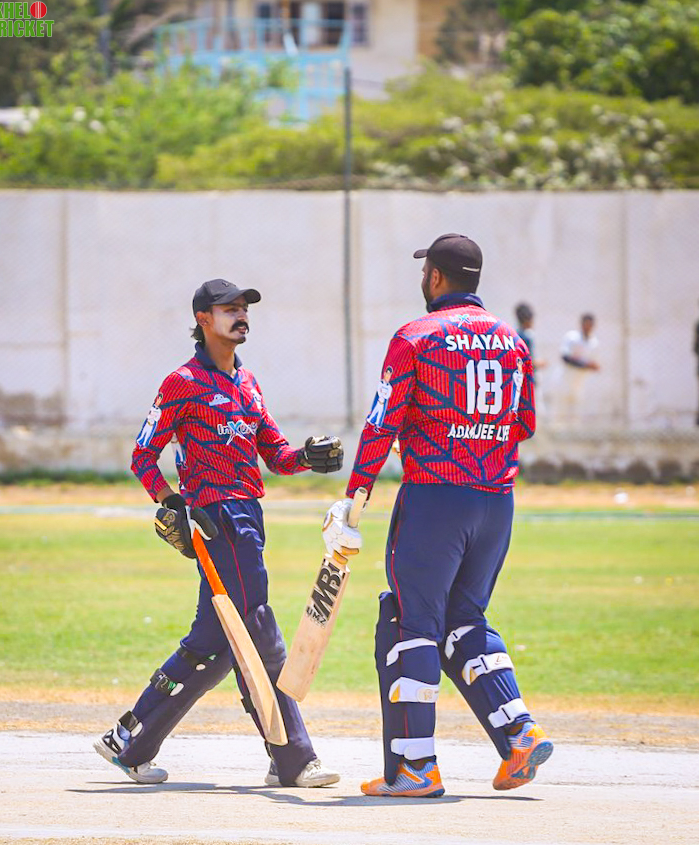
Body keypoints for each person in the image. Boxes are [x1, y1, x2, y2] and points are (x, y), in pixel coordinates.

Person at [322, 234, 552, 798]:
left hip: (435, 500)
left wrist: (353, 502)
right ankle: (520, 733)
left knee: (412, 623)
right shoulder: (513, 341)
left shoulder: (416, 337)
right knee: (465, 618)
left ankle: (415, 768)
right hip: (496, 501)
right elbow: (525, 422)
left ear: (435, 277)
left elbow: (381, 424)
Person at [94, 278, 344, 788]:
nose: (241, 315)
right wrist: (172, 505)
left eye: (244, 308)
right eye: (229, 308)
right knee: (258, 630)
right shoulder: (182, 382)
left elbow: (275, 455)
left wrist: (307, 457)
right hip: (216, 519)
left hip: (249, 515)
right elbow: (143, 454)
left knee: (213, 647)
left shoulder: (247, 382)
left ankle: (129, 740)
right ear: (203, 319)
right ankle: (294, 758)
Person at [555, 313, 600, 427]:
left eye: (590, 325)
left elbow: (592, 363)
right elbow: (565, 357)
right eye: (586, 324)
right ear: (581, 324)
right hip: (564, 379)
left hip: (580, 382)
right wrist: (585, 364)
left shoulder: (594, 343)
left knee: (576, 415)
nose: (588, 327)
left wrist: (592, 366)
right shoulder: (572, 337)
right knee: (560, 413)